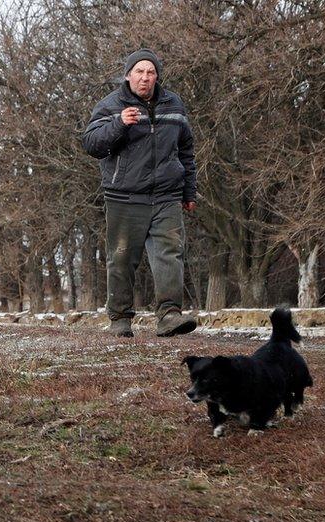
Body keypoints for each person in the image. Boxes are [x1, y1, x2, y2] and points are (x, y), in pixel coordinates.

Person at [82, 48, 198, 337]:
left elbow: (186, 150)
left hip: (167, 196)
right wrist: (119, 123)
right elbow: (92, 144)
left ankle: (169, 315)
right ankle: (120, 319)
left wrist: (189, 191)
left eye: (151, 72)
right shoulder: (111, 106)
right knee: (121, 258)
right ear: (128, 75)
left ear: (157, 76)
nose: (145, 77)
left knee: (170, 255)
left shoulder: (174, 104)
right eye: (139, 71)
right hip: (125, 196)